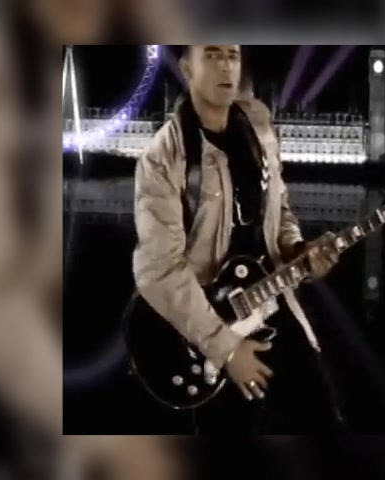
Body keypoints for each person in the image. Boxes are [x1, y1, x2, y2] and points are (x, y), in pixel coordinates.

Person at [133, 45, 344, 433]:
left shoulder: (259, 129)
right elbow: (159, 270)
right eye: (212, 55)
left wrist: (299, 250)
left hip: (273, 307)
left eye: (232, 55)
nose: (225, 65)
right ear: (187, 68)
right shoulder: (163, 157)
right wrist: (226, 350)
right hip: (206, 332)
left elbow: (280, 210)